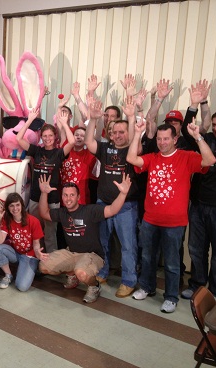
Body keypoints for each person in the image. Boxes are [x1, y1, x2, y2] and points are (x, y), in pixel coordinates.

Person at [127, 120, 216, 313]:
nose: (162, 142)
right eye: (159, 139)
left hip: (175, 223)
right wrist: (137, 133)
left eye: (166, 138)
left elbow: (209, 161)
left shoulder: (186, 157)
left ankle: (170, 297)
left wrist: (197, 136)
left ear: (175, 139)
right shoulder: (153, 158)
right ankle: (147, 287)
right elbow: (132, 158)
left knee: (172, 262)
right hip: (150, 219)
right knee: (148, 257)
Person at [37, 173, 132, 303]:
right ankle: (72, 274)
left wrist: (123, 193)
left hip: (93, 255)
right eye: (65, 195)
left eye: (72, 195)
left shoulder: (90, 210)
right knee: (44, 266)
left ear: (78, 197)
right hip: (72, 252)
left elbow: (112, 210)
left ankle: (94, 287)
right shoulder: (62, 213)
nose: (68, 198)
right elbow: (44, 213)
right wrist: (43, 193)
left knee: (82, 273)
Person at [85, 98, 139, 298]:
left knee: (128, 245)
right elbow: (90, 142)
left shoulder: (132, 151)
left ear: (128, 133)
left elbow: (134, 140)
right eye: (114, 132)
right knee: (103, 242)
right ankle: (103, 271)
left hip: (126, 206)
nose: (117, 135)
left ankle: (129, 280)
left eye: (122, 132)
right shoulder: (106, 148)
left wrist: (131, 117)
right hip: (103, 204)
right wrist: (92, 119)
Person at [180, 85, 216, 300]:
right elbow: (186, 130)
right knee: (196, 249)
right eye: (215, 124)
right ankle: (198, 285)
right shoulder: (205, 139)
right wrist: (197, 104)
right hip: (199, 205)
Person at [17, 108, 74, 253]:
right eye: (45, 136)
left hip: (52, 199)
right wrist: (29, 120)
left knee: (50, 233)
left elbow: (72, 141)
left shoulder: (58, 153)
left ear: (55, 137)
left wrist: (64, 123)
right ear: (41, 137)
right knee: (35, 230)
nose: (47, 138)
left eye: (50, 135)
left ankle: (52, 262)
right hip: (36, 197)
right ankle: (37, 258)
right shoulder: (37, 151)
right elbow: (18, 139)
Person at [0, 193, 45, 292]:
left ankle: (31, 268)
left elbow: (36, 243)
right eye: (11, 205)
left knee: (22, 287)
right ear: (8, 208)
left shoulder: (34, 221)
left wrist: (37, 252)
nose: (15, 208)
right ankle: (8, 275)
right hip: (16, 253)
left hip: (29, 256)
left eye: (17, 205)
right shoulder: (7, 220)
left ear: (22, 205)